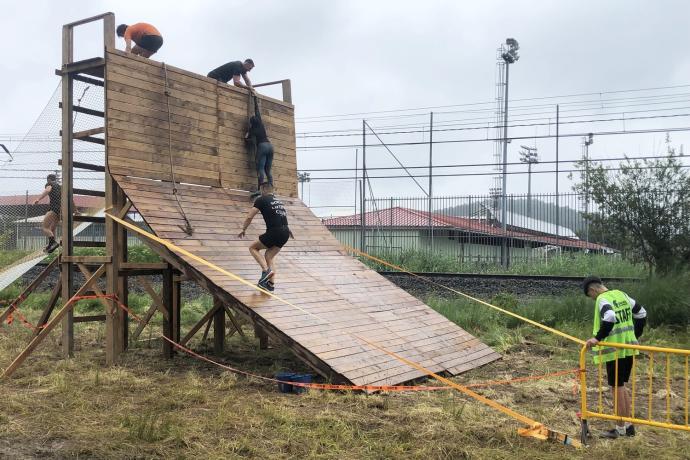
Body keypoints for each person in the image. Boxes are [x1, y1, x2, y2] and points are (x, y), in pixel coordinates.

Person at [582, 276, 647, 439]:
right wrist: (635, 335)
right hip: (627, 348)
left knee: (616, 388)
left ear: (592, 290)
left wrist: (597, 338)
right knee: (621, 386)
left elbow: (610, 317)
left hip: (614, 351)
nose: (592, 298)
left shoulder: (602, 299)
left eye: (590, 296)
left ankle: (620, 429)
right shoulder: (621, 294)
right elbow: (641, 312)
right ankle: (628, 426)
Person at [237, 183, 293, 291]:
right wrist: (287, 231)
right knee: (269, 256)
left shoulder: (261, 199)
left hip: (275, 231)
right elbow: (281, 217)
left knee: (253, 247)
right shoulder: (278, 201)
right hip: (285, 232)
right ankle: (270, 285)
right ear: (272, 190)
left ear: (262, 190)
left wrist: (243, 229)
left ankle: (265, 271)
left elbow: (249, 216)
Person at [245, 96, 273, 196]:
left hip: (262, 147)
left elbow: (247, 140)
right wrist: (255, 98)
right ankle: (271, 189)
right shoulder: (260, 123)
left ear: (251, 123)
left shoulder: (253, 130)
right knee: (268, 170)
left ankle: (259, 190)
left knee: (260, 168)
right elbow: (257, 110)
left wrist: (247, 133)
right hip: (270, 146)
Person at [33, 174, 62, 253]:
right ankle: (50, 246)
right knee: (52, 229)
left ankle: (53, 243)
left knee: (45, 227)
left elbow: (48, 190)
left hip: (54, 208)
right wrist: (75, 210)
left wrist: (38, 199)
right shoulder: (59, 187)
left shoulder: (49, 184)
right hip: (60, 209)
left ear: (48, 179)